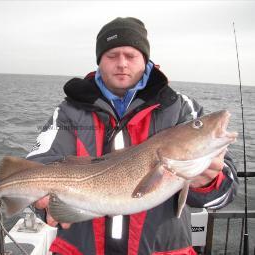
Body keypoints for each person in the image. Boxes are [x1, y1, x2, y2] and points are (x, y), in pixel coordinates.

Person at [26, 17, 238, 255]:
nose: (122, 64)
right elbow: (38, 165)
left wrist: (208, 182)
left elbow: (224, 194)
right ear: (99, 61)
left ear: (145, 59)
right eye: (112, 55)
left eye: (131, 55)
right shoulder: (69, 112)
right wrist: (46, 206)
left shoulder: (180, 108)